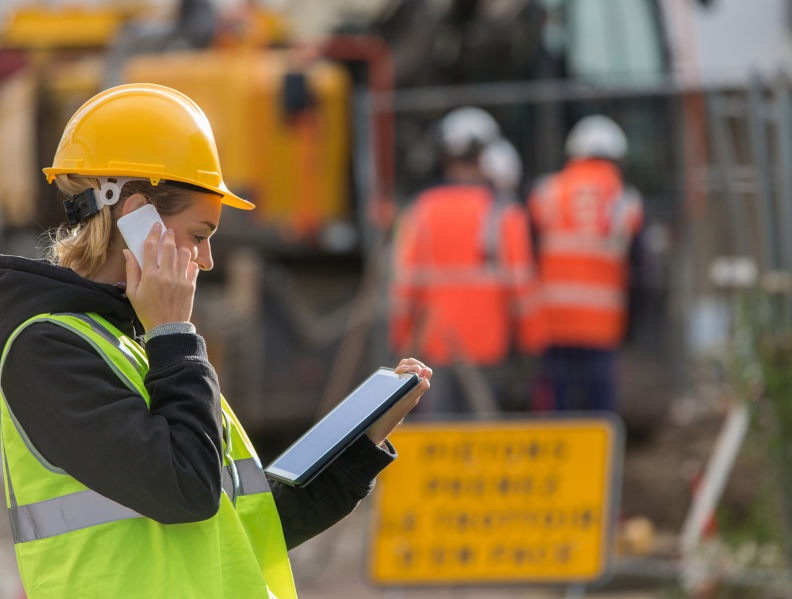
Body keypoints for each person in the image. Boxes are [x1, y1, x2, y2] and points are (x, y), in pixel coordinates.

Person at [0, 83, 431, 599]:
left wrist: (360, 448)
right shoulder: (46, 350)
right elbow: (189, 489)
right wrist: (173, 332)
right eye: (200, 234)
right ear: (139, 217)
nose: (206, 260)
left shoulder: (133, 344)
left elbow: (243, 525)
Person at [388, 108, 546, 413]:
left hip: (435, 346)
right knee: (483, 436)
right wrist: (532, 345)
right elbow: (522, 288)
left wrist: (403, 341)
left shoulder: (421, 210)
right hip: (489, 346)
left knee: (441, 438)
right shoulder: (505, 213)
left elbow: (403, 286)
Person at [527, 115, 643, 411]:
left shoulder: (545, 193)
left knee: (559, 413)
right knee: (598, 416)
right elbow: (642, 272)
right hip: (602, 327)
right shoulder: (626, 201)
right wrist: (634, 327)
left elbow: (526, 255)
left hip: (552, 323)